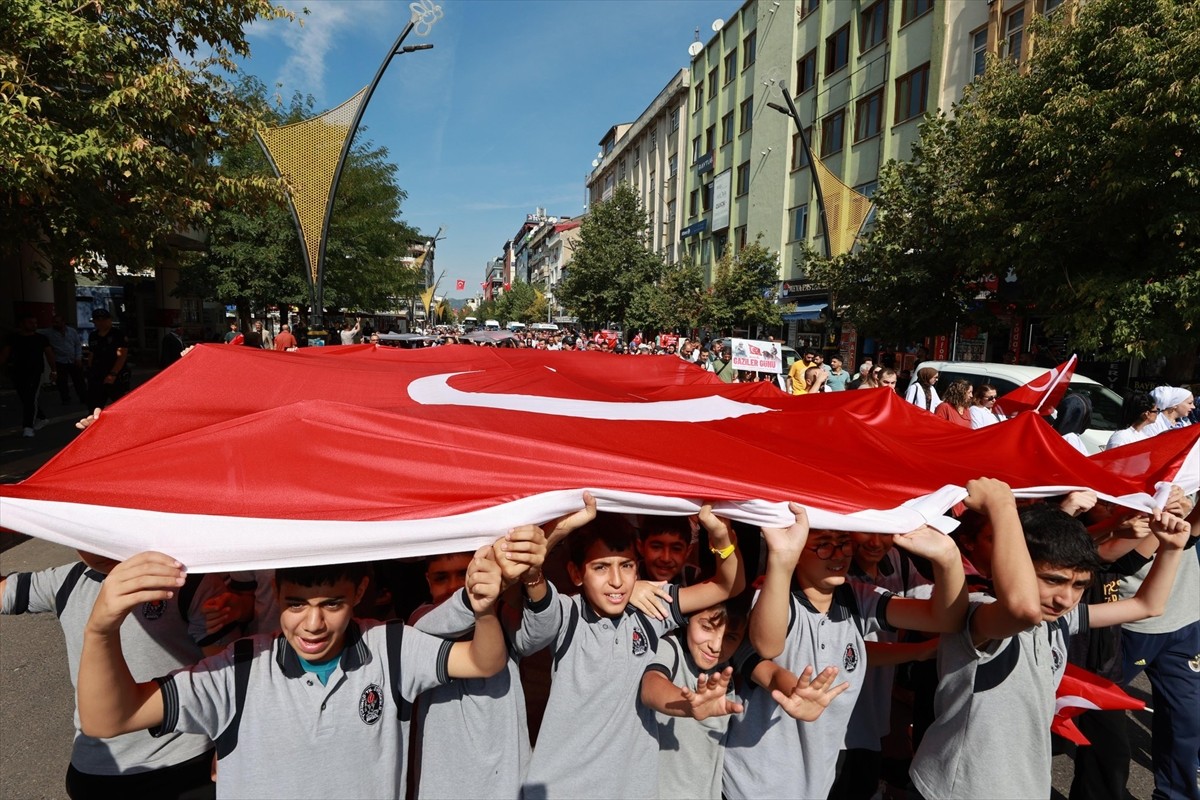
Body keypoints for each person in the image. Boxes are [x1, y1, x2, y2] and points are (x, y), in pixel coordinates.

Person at [76, 552, 510, 799]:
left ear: (359, 592)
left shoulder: (390, 646)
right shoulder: (239, 669)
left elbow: (483, 662)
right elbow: (109, 719)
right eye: (296, 604)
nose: (313, 624)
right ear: (277, 593)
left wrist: (485, 610)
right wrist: (100, 629)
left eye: (332, 604)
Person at [909, 489, 1192, 800]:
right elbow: (1023, 609)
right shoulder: (979, 612)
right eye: (1052, 580)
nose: (1065, 599)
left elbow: (1147, 605)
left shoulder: (1056, 619)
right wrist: (1002, 507)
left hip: (1024, 784)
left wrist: (1171, 548)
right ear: (1015, 567)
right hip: (960, 788)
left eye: (1079, 585)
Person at [724, 498, 969, 800]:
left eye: (843, 542)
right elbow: (767, 645)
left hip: (815, 783)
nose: (838, 554)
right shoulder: (771, 594)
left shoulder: (856, 597)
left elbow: (946, 619)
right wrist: (781, 561)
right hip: (750, 782)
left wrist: (948, 558)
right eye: (823, 545)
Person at [521, 504, 744, 798]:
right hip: (561, 789)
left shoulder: (650, 610)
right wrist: (553, 538)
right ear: (576, 573)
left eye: (626, 566)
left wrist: (721, 538)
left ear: (637, 568)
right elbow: (535, 586)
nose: (616, 580)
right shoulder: (567, 614)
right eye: (601, 567)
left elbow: (728, 585)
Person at [1, 551, 238, 798]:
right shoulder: (67, 580)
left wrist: (228, 747)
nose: (97, 550)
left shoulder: (184, 581)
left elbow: (230, 678)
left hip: (186, 763)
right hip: (96, 767)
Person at [408, 523, 564, 799]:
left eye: (463, 574)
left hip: (506, 781)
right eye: (441, 578)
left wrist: (533, 577)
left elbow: (540, 633)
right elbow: (449, 617)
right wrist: (488, 586)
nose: (453, 586)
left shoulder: (502, 616)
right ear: (427, 581)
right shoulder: (418, 624)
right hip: (445, 786)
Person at [640, 600, 848, 800]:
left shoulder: (731, 656)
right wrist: (688, 705)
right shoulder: (671, 645)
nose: (716, 646)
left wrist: (797, 692)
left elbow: (771, 674)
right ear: (688, 617)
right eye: (707, 627)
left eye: (730, 637)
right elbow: (651, 686)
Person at [1, 314, 54, 436]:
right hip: (17, 372)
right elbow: (5, 354)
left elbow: (49, 354)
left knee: (31, 397)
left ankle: (28, 426)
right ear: (22, 324)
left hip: (35, 372)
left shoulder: (41, 338)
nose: (34, 325)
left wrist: (54, 370)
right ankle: (42, 417)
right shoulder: (13, 338)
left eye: (35, 323)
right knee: (25, 398)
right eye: (30, 322)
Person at [85, 308, 130, 410]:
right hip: (97, 376)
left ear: (110, 320)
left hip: (115, 375)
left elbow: (122, 356)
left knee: (120, 404)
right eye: (98, 320)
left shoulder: (118, 334)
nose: (101, 322)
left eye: (104, 319)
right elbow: (91, 354)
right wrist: (89, 370)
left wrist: (113, 374)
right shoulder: (93, 336)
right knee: (94, 406)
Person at [41, 314, 88, 404]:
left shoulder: (72, 331)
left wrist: (78, 357)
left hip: (73, 359)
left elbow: (77, 345)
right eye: (54, 322)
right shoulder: (49, 332)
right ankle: (65, 399)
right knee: (62, 382)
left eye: (57, 322)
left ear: (63, 322)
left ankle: (83, 397)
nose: (55, 324)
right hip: (60, 360)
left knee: (79, 380)